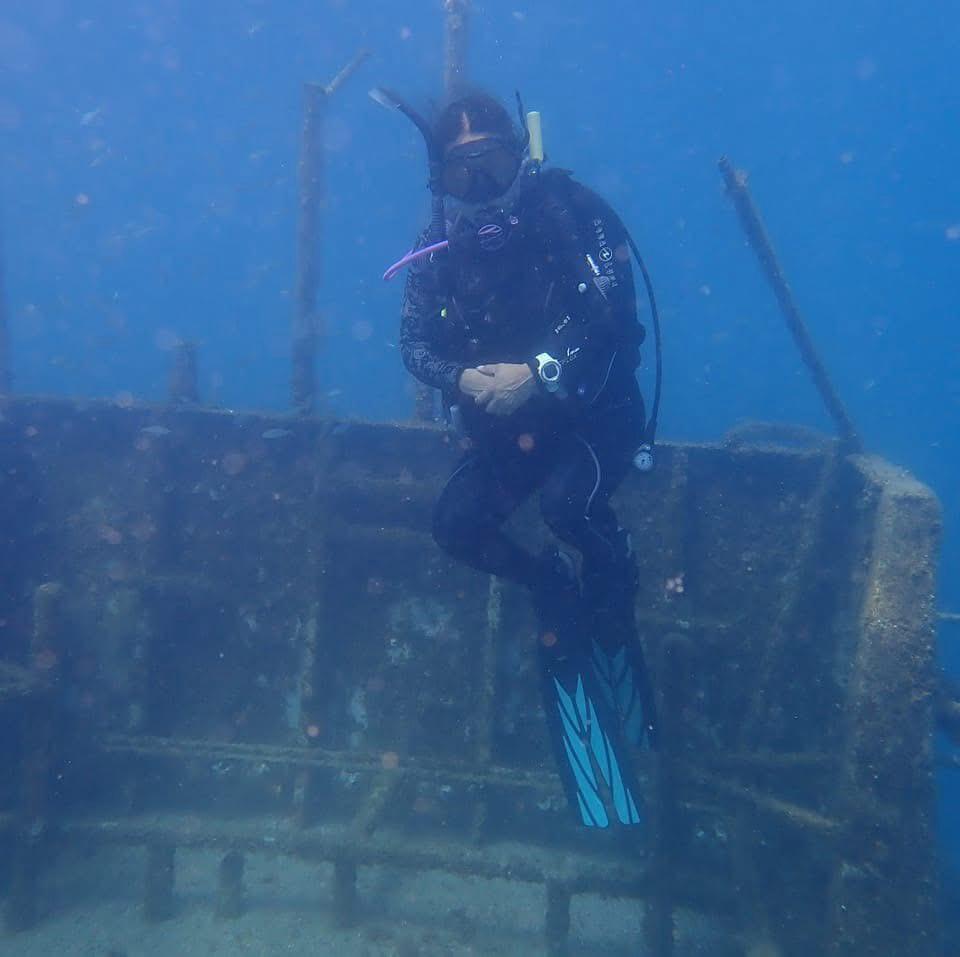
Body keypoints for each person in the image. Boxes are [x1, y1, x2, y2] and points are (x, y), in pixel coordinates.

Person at [380, 88, 659, 828]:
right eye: (462, 173)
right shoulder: (438, 244)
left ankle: (612, 586)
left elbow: (613, 316)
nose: (480, 188)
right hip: (508, 434)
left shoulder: (573, 212)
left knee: (571, 506)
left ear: (521, 156)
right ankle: (550, 585)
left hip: (592, 418)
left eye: (493, 165)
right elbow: (414, 344)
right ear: (441, 178)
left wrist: (537, 370)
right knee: (455, 523)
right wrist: (461, 377)